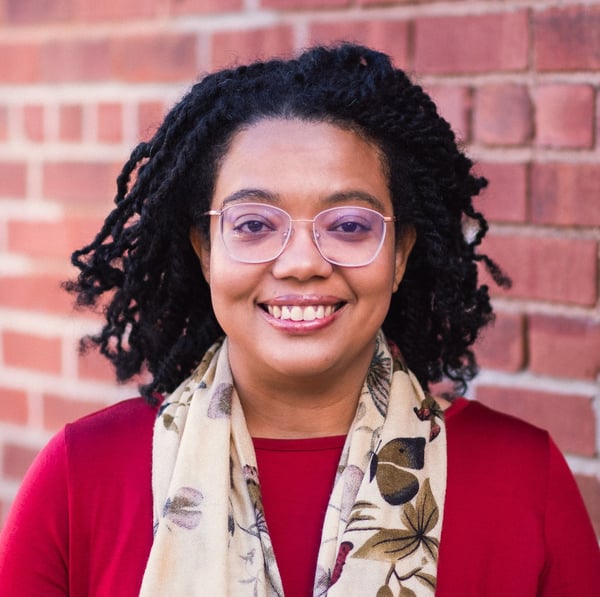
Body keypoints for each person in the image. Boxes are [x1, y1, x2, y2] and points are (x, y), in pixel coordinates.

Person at [0, 44, 598, 597]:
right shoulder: (83, 479)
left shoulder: (523, 480)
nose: (303, 263)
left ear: (400, 256)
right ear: (206, 251)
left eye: (348, 225)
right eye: (255, 224)